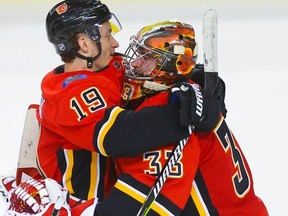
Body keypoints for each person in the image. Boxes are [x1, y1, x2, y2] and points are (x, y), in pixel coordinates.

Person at [35, 0, 221, 208]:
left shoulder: (110, 66)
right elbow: (121, 135)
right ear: (84, 44)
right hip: (74, 206)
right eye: (107, 36)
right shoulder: (66, 95)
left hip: (112, 199)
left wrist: (198, 81)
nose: (115, 43)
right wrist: (182, 111)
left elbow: (152, 72)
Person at [93, 21, 269, 216]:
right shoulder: (188, 98)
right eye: (138, 54)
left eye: (146, 58)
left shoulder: (175, 114)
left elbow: (152, 207)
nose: (134, 63)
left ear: (168, 66)